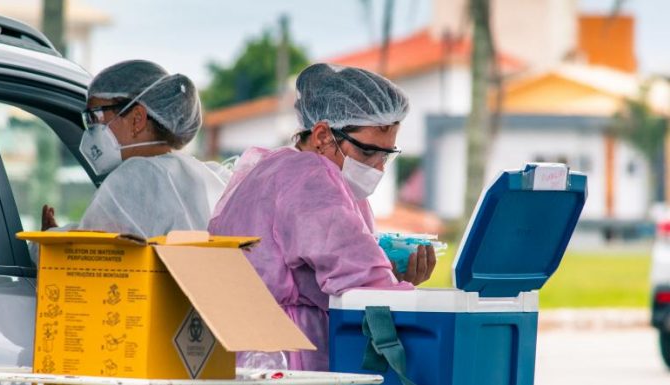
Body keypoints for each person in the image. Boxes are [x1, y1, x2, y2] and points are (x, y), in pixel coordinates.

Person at [208, 63, 436, 371]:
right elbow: (359, 276)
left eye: (385, 155)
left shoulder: (271, 170)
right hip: (286, 356)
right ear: (323, 137)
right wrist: (398, 290)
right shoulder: (311, 178)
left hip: (244, 352)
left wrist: (392, 279)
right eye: (368, 152)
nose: (379, 168)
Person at [41, 60, 221, 239]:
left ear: (137, 119)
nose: (91, 128)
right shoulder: (204, 175)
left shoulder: (136, 177)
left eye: (95, 115)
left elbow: (91, 253)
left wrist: (47, 239)